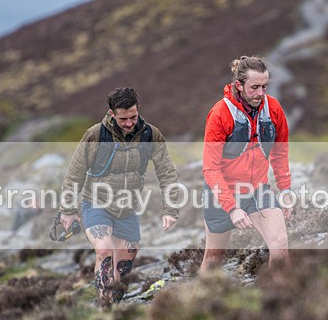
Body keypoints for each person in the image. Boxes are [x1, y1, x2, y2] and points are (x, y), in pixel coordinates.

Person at [58, 87, 178, 303]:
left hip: (128, 208)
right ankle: (104, 306)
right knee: (104, 251)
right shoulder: (95, 135)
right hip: (96, 203)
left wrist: (170, 209)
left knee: (123, 268)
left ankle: (114, 306)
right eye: (123, 119)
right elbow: (75, 173)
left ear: (138, 109)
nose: (129, 123)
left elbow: (167, 172)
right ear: (111, 113)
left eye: (133, 117)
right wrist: (67, 210)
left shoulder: (151, 135)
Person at [200, 56, 293, 273]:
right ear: (239, 85)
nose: (261, 93)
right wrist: (232, 208)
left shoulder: (274, 108)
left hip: (258, 190)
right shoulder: (219, 113)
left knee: (280, 244)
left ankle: (278, 292)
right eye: (254, 87)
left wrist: (285, 189)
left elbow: (280, 152)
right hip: (222, 194)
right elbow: (210, 169)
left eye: (264, 86)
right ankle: (199, 295)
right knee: (214, 258)